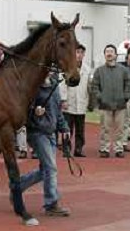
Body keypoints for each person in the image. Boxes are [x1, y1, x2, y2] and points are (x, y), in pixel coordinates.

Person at [14, 74, 71, 217]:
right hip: (37, 133)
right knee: (50, 168)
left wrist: (64, 128)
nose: (50, 70)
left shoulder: (54, 86)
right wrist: (34, 112)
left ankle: (18, 186)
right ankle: (51, 204)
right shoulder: (33, 87)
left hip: (50, 132)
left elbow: (58, 111)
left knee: (45, 169)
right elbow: (23, 110)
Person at [91, 44, 130, 158]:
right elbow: (94, 86)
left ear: (116, 55)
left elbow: (128, 84)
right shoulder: (99, 71)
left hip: (120, 104)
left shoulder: (123, 70)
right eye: (107, 52)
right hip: (105, 104)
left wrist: (126, 96)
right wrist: (100, 97)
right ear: (104, 55)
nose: (109, 54)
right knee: (105, 128)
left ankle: (119, 148)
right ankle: (104, 149)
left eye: (111, 51)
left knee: (120, 128)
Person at [60, 43, 90, 157]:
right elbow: (62, 84)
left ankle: (78, 149)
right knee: (67, 128)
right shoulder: (67, 67)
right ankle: (66, 149)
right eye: (77, 52)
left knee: (80, 129)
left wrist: (89, 101)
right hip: (69, 103)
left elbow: (88, 86)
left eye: (82, 53)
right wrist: (63, 100)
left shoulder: (87, 69)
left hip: (81, 102)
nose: (79, 55)